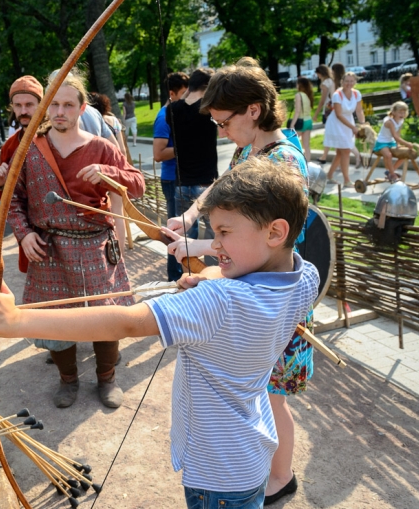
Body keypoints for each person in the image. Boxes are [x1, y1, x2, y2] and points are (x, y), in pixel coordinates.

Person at [0, 158, 319, 509]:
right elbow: (243, 285)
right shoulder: (306, 278)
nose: (215, 246)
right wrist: (212, 277)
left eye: (225, 233)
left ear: (275, 232)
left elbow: (126, 321)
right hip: (253, 454)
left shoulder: (220, 301)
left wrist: (16, 321)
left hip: (216, 474)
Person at [166, 58, 313, 506]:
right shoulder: (249, 150)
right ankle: (266, 470)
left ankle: (280, 477)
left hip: (272, 297)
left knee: (273, 396)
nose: (221, 130)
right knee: (256, 391)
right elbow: (221, 188)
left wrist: (201, 249)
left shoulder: (284, 160)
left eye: (224, 121)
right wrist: (190, 217)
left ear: (253, 110)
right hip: (251, 291)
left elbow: (272, 243)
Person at [8, 68, 145, 409]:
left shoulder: (100, 147)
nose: (59, 113)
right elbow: (13, 200)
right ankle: (68, 380)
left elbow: (137, 183)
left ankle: (107, 379)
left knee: (106, 318)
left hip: (96, 244)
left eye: (68, 105)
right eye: (53, 105)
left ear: (82, 109)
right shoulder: (29, 149)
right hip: (49, 248)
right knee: (58, 321)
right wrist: (24, 235)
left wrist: (109, 172)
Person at [166, 68, 218, 242]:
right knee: (215, 239)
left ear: (190, 86)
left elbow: (180, 103)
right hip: (207, 183)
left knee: (184, 242)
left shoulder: (172, 109)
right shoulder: (209, 109)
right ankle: (212, 270)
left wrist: (187, 93)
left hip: (182, 184)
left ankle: (186, 270)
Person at [152, 71, 189, 281]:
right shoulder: (163, 117)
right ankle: (174, 279)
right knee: (175, 232)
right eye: (184, 93)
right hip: (171, 180)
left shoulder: (181, 113)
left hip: (183, 178)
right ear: (172, 94)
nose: (188, 97)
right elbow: (158, 154)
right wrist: (186, 148)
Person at [323, 71, 365, 188]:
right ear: (342, 82)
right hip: (336, 124)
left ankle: (329, 176)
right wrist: (353, 127)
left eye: (351, 81)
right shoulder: (337, 94)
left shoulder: (357, 94)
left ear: (355, 82)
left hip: (348, 122)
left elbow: (359, 111)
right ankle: (347, 181)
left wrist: (362, 124)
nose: (349, 83)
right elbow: (339, 115)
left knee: (340, 153)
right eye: (346, 81)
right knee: (345, 151)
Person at [374, 101, 414, 183]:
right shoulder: (389, 121)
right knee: (388, 155)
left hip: (391, 141)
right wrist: (407, 143)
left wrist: (398, 144)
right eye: (400, 112)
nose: (402, 115)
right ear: (393, 112)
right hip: (382, 142)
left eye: (404, 112)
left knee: (404, 155)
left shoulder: (401, 121)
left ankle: (390, 172)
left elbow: (398, 135)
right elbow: (395, 135)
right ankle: (392, 175)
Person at [313, 65, 335, 165]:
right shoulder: (332, 81)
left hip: (327, 110)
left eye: (317, 74)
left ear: (320, 73)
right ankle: (324, 156)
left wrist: (316, 114)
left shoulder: (325, 83)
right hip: (333, 109)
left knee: (329, 134)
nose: (317, 76)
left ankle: (324, 156)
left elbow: (322, 100)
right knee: (330, 134)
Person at [289, 77, 314, 158]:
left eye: (297, 83)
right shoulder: (308, 95)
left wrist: (292, 125)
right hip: (309, 121)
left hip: (301, 122)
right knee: (306, 146)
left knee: (292, 143)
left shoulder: (298, 95)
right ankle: (308, 164)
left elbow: (297, 111)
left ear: (300, 85)